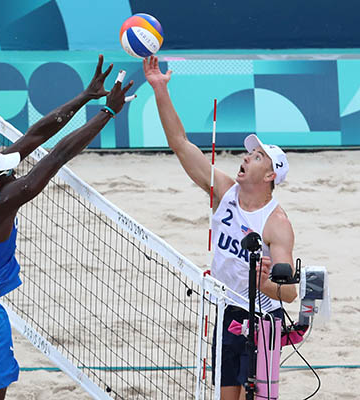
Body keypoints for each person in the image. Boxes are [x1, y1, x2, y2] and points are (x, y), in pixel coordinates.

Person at [0, 55, 134, 400]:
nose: (15, 171)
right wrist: (108, 112)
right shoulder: (1, 204)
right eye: (9, 172)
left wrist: (85, 96)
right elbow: (57, 157)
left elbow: (35, 135)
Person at [143, 55, 297, 400]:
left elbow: (289, 294)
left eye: (257, 157)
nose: (246, 157)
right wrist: (160, 89)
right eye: (249, 153)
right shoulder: (224, 191)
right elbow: (180, 143)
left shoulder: (277, 224)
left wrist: (264, 283)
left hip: (263, 320)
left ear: (270, 175)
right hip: (226, 312)